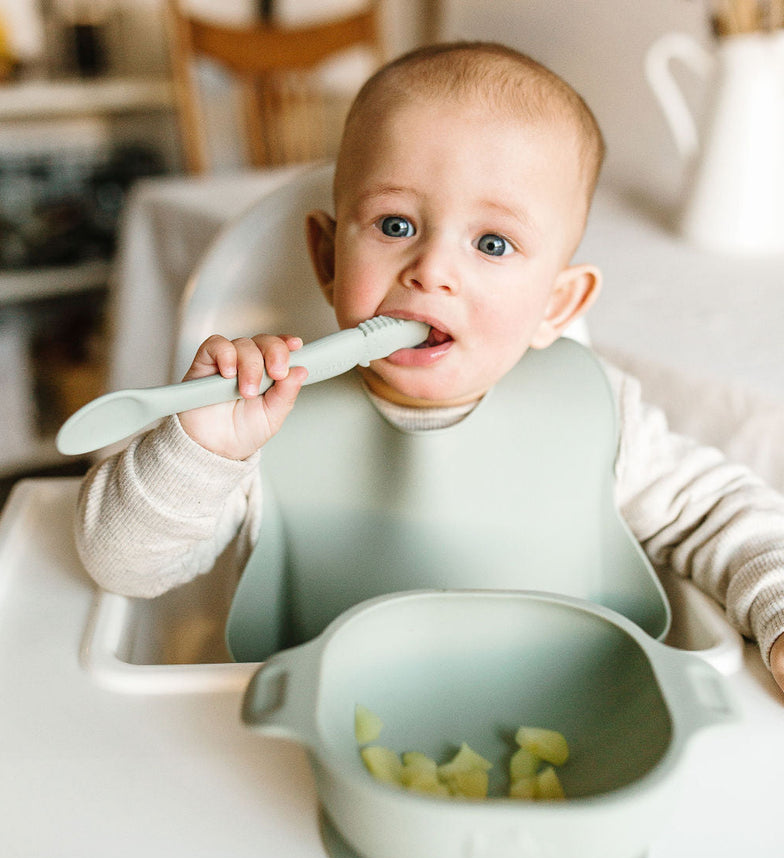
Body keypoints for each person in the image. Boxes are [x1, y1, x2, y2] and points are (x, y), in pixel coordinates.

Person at [76, 41, 784, 689]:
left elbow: (725, 516)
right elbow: (120, 565)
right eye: (395, 225)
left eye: (494, 244)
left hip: (573, 739)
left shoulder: (603, 416)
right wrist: (201, 449)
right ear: (326, 260)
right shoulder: (261, 430)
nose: (432, 270)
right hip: (306, 753)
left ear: (557, 305)